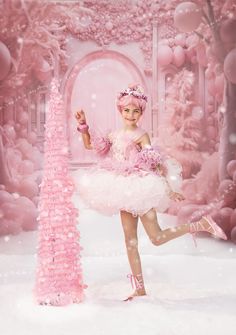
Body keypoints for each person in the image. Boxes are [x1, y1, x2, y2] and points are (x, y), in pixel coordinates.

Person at [73, 83, 227, 301]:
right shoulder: (115, 134)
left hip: (141, 187)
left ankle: (200, 225)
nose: (130, 115)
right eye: (127, 110)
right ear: (120, 110)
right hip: (121, 188)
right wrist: (83, 126)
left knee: (156, 237)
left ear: (141, 113)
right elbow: (90, 147)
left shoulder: (141, 136)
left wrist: (169, 190)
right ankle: (139, 288)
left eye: (135, 111)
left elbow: (155, 164)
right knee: (130, 241)